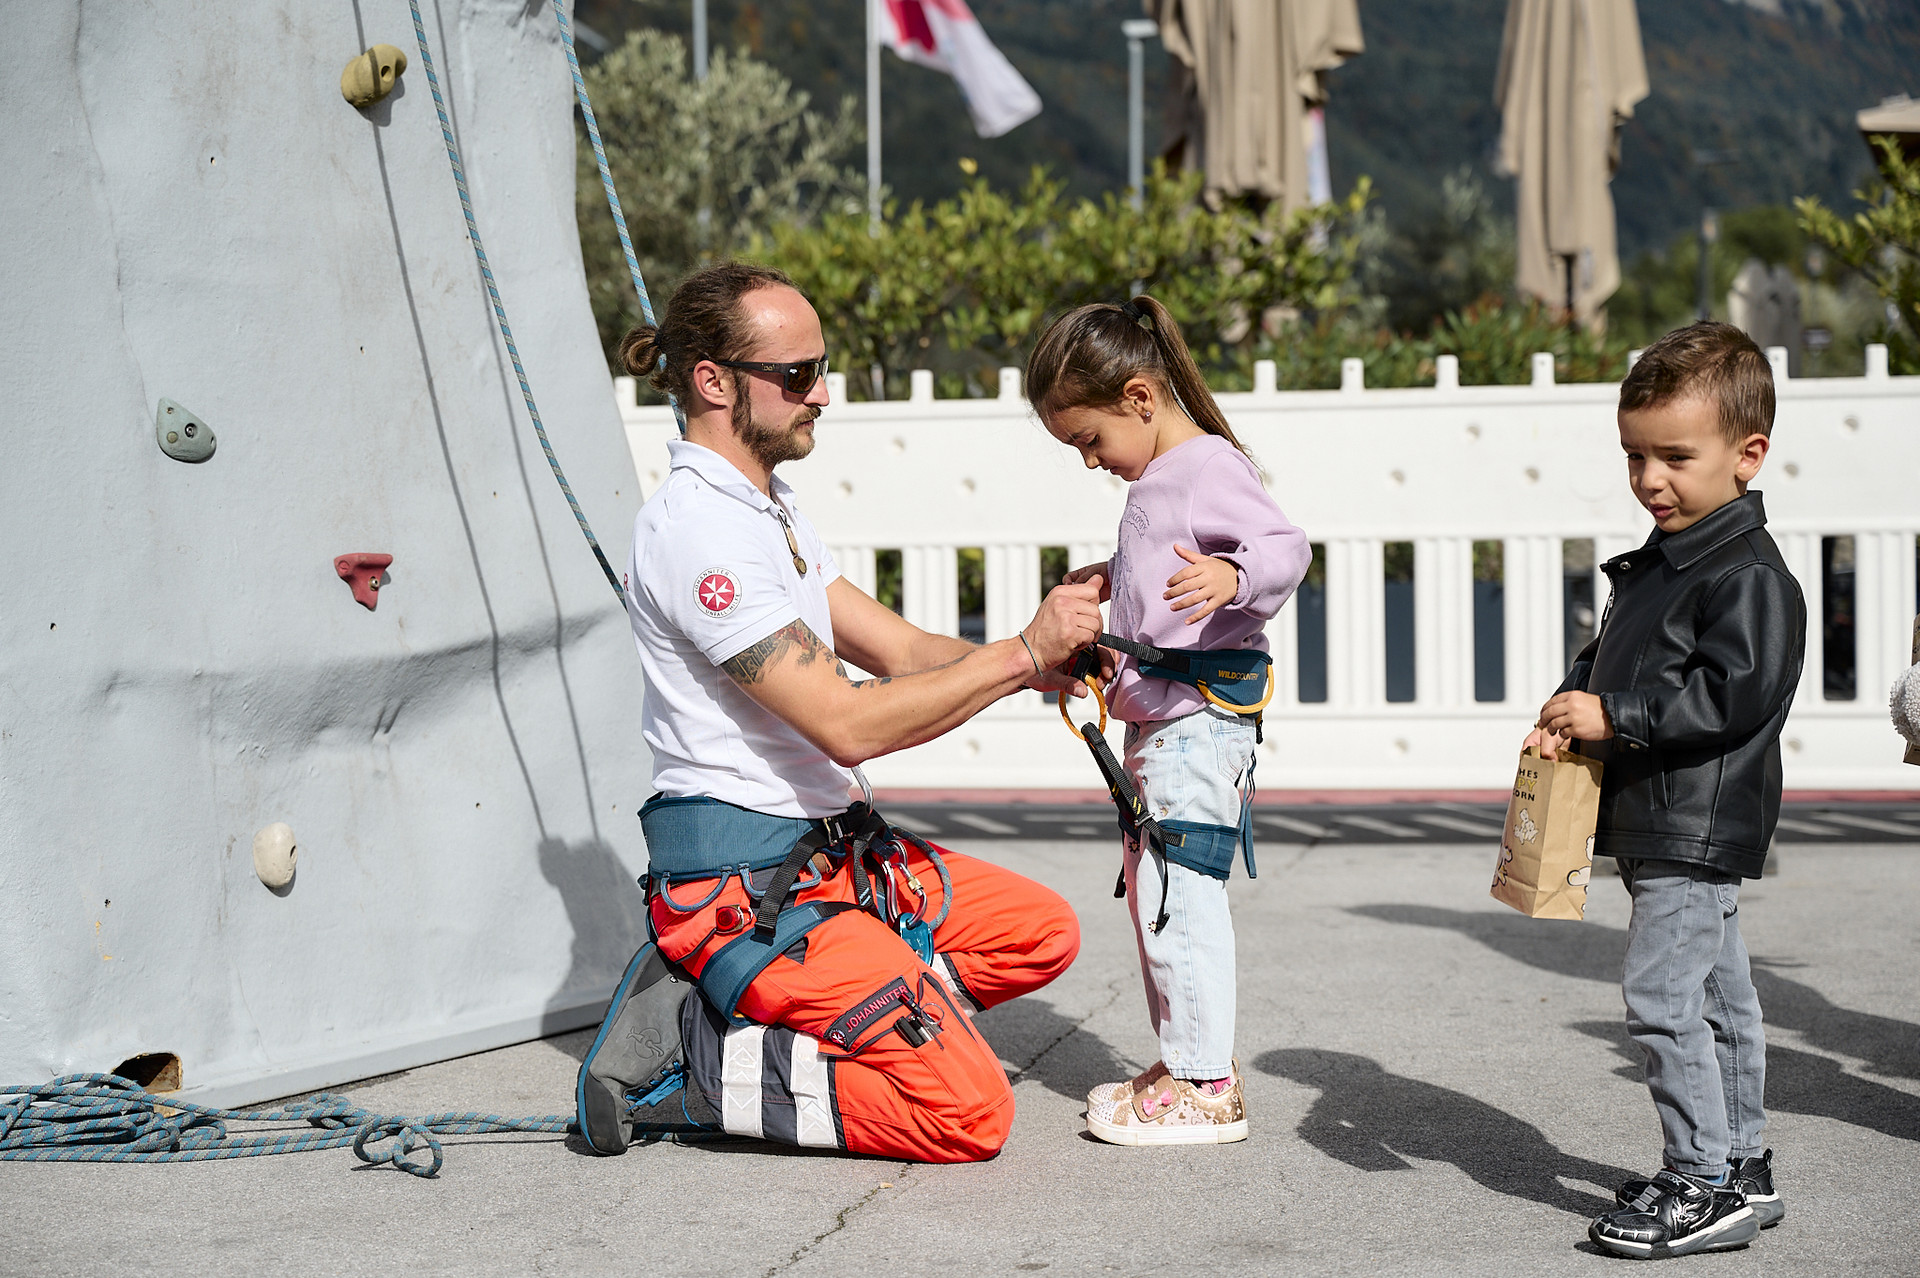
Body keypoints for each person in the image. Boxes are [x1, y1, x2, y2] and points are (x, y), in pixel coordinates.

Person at [576, 262, 1102, 1164]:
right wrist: (1021, 654)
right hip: (748, 887)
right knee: (968, 1116)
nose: (821, 393)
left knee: (1040, 932)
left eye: (822, 367)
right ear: (713, 381)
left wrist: (1042, 663)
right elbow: (848, 725)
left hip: (832, 861)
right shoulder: (701, 532)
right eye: (795, 375)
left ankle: (853, 1013)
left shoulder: (766, 509)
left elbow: (897, 651)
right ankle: (698, 1065)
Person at [1527, 322, 1805, 1259]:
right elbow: (1618, 660)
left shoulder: (1749, 574)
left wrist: (1619, 716)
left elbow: (1735, 693)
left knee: (1660, 999)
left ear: (1747, 455)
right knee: (1721, 999)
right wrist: (1575, 702)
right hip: (1660, 815)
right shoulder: (1662, 558)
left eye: (1675, 457)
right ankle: (1738, 1164)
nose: (1651, 478)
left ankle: (1698, 1178)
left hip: (1697, 817)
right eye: (1635, 455)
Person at [1025, 296, 1310, 1145]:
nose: (1089, 461)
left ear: (1140, 399)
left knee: (1178, 897)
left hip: (1197, 723)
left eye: (1089, 440)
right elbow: (1160, 560)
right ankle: (1184, 1058)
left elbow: (1285, 547)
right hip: (1166, 721)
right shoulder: (1161, 476)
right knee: (1158, 896)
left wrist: (1236, 579)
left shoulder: (1207, 464)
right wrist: (1113, 575)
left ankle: (1207, 1086)